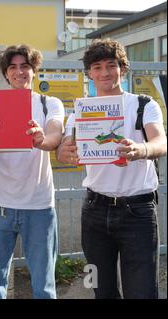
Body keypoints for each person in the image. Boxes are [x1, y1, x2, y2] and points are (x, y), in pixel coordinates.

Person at [57, 39, 166, 299]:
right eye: (97, 67)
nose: (105, 72)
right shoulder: (80, 112)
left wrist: (141, 150)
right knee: (101, 290)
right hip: (94, 210)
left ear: (122, 69)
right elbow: (64, 149)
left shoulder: (143, 104)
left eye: (111, 65)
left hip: (138, 210)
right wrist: (64, 152)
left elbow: (161, 141)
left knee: (141, 292)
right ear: (89, 73)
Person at [0, 44, 64, 299]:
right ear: (6, 74)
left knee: (44, 283)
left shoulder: (50, 104)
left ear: (34, 70)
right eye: (13, 67)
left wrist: (41, 140)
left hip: (39, 205)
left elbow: (55, 135)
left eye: (25, 66)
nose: (19, 72)